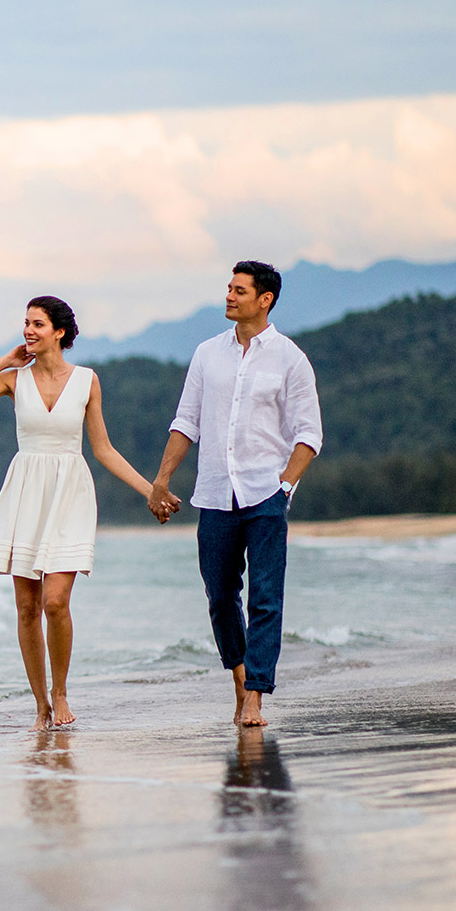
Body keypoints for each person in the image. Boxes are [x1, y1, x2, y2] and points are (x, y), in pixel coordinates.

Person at [0, 296, 172, 729]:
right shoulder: (15, 380)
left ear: (60, 332)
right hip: (25, 492)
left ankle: (61, 691)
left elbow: (104, 450)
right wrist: (5, 361)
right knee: (27, 606)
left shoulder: (87, 380)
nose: (28, 331)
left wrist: (152, 490)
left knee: (55, 601)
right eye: (25, 324)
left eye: (37, 324)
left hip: (70, 491)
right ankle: (40, 706)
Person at [148, 262, 322, 728]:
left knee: (265, 598)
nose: (229, 295)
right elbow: (187, 421)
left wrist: (284, 485)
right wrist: (162, 479)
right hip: (214, 495)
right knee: (220, 596)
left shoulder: (290, 359)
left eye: (239, 290)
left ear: (264, 299)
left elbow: (309, 434)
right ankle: (240, 678)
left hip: (266, 494)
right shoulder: (207, 354)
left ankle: (255, 698)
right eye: (228, 287)